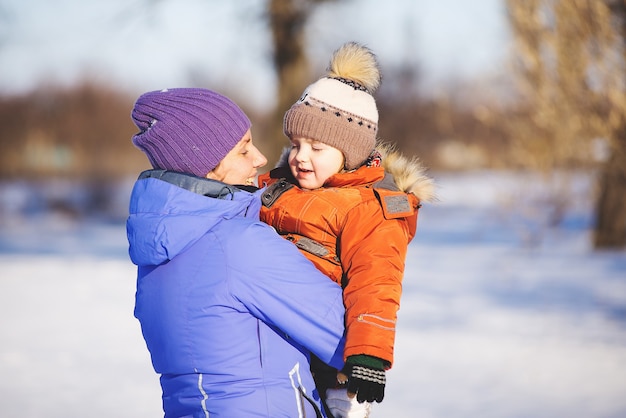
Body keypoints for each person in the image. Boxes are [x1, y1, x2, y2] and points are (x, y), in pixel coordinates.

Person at [126, 87, 347, 417]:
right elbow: (350, 337)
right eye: (244, 150)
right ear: (206, 166)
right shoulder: (240, 246)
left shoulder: (160, 253)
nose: (260, 158)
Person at [258, 42, 435, 417]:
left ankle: (345, 400)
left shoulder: (370, 207)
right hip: (273, 335)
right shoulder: (279, 188)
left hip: (329, 349)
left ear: (350, 154)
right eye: (295, 144)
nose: (300, 156)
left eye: (316, 148)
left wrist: (368, 355)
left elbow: (377, 282)